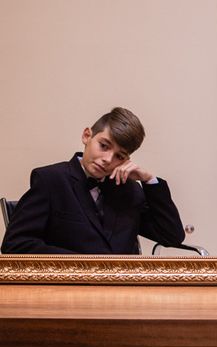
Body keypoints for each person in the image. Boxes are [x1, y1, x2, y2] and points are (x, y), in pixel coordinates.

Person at [1, 107, 186, 254]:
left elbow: (171, 236)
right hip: (67, 291)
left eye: (119, 156)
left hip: (122, 294)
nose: (108, 159)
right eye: (104, 146)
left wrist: (148, 180)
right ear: (87, 136)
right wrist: (84, 265)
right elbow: (15, 244)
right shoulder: (51, 180)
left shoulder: (129, 190)